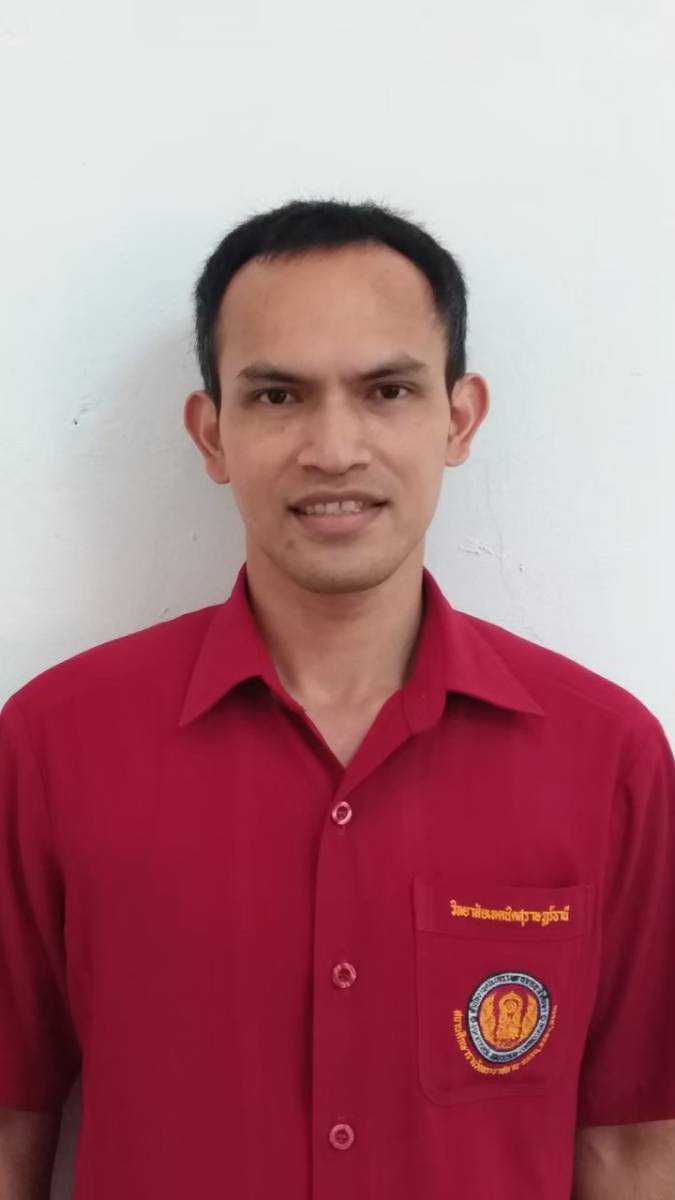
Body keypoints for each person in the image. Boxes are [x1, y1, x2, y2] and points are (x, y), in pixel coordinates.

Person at [1, 197, 673, 1200]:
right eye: (278, 395)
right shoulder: (55, 744)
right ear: (211, 433)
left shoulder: (606, 755)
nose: (333, 448)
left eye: (387, 390)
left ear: (458, 418)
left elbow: (629, 1144)